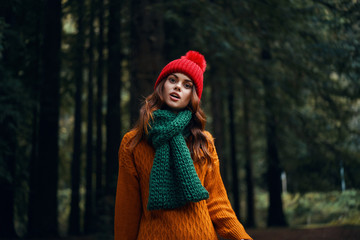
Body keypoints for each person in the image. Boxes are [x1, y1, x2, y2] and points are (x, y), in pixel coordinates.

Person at [114, 50, 252, 240]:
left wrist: (242, 237)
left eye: (187, 85)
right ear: (161, 85)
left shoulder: (203, 141)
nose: (178, 87)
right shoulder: (134, 142)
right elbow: (127, 210)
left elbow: (217, 203)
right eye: (173, 80)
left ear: (193, 96)